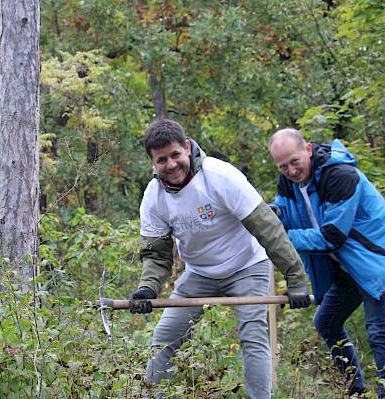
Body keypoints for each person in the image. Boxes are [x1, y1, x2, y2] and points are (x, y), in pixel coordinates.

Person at [129, 119, 311, 399]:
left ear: (187, 148)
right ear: (153, 163)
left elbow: (268, 229)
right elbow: (156, 254)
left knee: (253, 335)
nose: (171, 164)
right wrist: (147, 289)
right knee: (165, 336)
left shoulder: (220, 176)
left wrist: (296, 279)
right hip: (200, 273)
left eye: (176, 154)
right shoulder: (153, 198)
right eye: (161, 160)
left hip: (248, 265)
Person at [267, 128, 385, 398]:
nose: (291, 170)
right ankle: (355, 390)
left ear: (307, 149)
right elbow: (282, 214)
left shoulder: (340, 175)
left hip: (378, 258)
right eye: (283, 166)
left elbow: (332, 236)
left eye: (295, 161)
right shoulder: (288, 181)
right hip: (346, 264)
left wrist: (282, 237)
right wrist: (271, 215)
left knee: (380, 332)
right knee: (327, 322)